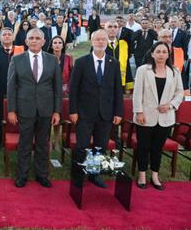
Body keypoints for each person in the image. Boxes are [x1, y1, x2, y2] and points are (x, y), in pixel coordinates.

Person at [7, 28, 62, 188]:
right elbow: (11, 87)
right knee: (24, 143)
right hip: (25, 109)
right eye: (31, 38)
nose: (34, 41)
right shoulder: (17, 60)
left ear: (44, 42)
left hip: (46, 109)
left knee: (42, 144)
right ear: (26, 41)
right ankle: (22, 175)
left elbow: (57, 88)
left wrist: (57, 111)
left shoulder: (52, 60)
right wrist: (11, 109)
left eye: (38, 38)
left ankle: (42, 175)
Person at [69, 29, 124, 188]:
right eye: (97, 39)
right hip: (84, 113)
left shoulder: (114, 63)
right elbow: (74, 90)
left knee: (100, 146)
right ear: (92, 42)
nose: (100, 42)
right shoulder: (81, 62)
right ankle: (78, 175)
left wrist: (118, 112)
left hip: (105, 114)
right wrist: (73, 111)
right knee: (82, 146)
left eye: (103, 40)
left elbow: (117, 91)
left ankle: (94, 174)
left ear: (107, 42)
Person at [132, 42, 184, 190]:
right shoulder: (143, 70)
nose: (161, 54)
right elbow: (137, 93)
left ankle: (155, 174)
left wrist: (171, 105)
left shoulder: (174, 72)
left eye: (164, 52)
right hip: (145, 116)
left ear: (168, 55)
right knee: (143, 146)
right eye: (158, 51)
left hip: (165, 117)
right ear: (153, 54)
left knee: (157, 147)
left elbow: (180, 92)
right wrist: (139, 112)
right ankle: (142, 174)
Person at [105, 20, 134, 91]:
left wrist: (128, 84)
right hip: (104, 83)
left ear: (118, 30)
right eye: (110, 27)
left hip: (121, 82)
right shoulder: (100, 43)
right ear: (105, 29)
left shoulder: (123, 44)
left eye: (115, 27)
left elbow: (126, 64)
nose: (113, 29)